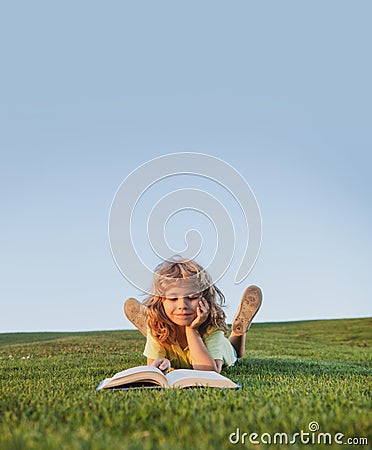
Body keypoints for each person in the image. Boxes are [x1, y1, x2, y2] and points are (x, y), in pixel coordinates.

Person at [124, 258, 262, 374]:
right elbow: (152, 368)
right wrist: (161, 363)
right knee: (157, 327)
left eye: (192, 297)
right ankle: (151, 317)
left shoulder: (211, 327)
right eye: (173, 299)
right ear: (161, 302)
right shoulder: (157, 327)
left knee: (235, 351)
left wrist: (192, 330)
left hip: (226, 350)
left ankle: (239, 330)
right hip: (162, 325)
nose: (182, 305)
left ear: (205, 298)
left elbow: (208, 373)